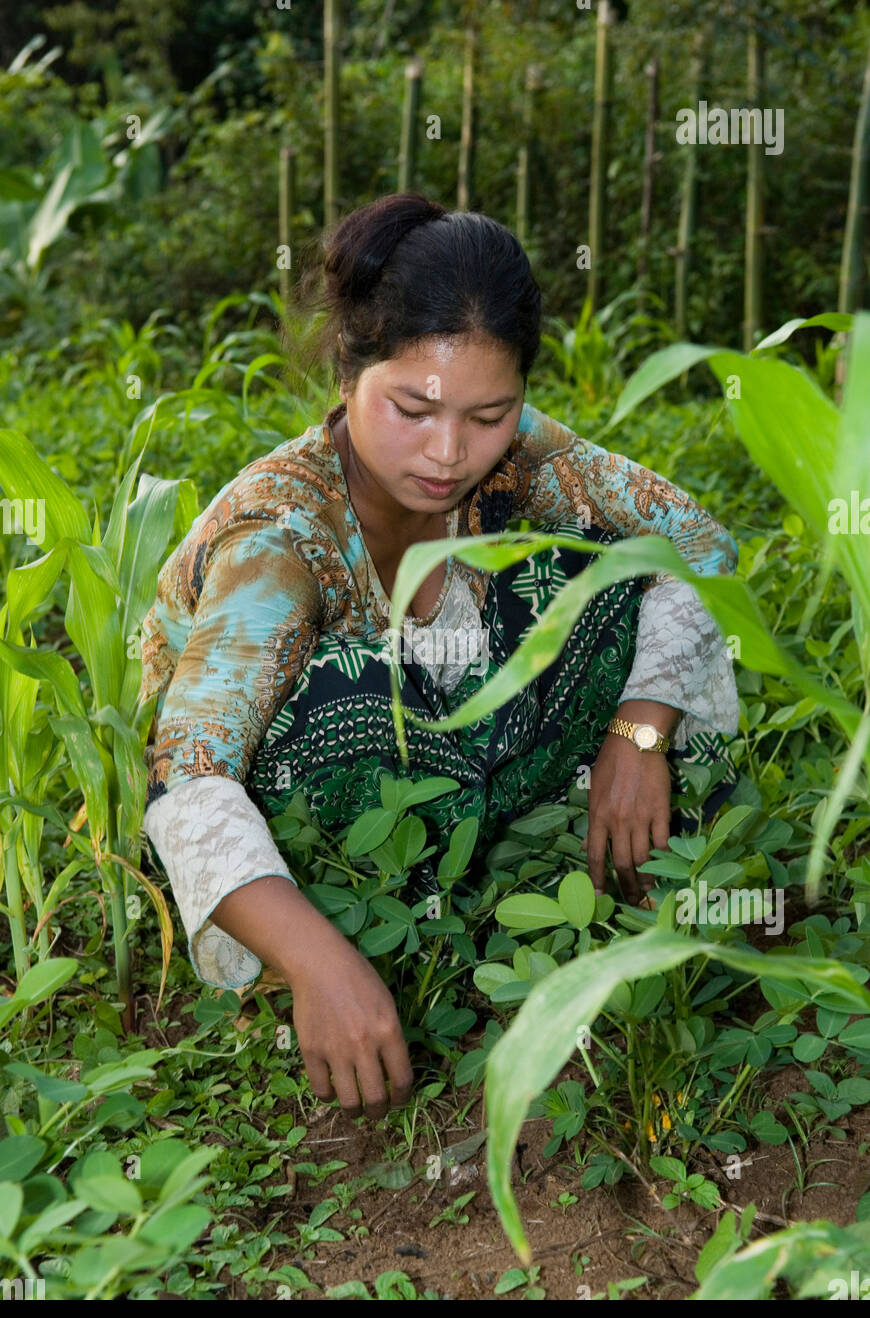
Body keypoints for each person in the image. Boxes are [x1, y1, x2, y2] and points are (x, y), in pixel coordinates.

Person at [137, 191, 739, 1124]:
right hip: (312, 814)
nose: (449, 452)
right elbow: (189, 776)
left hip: (452, 751)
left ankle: (564, 858)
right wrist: (318, 961)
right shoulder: (281, 538)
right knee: (350, 684)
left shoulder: (516, 455)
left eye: (489, 413)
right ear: (348, 369)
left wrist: (640, 728)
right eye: (412, 408)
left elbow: (695, 543)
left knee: (607, 586)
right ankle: (375, 934)